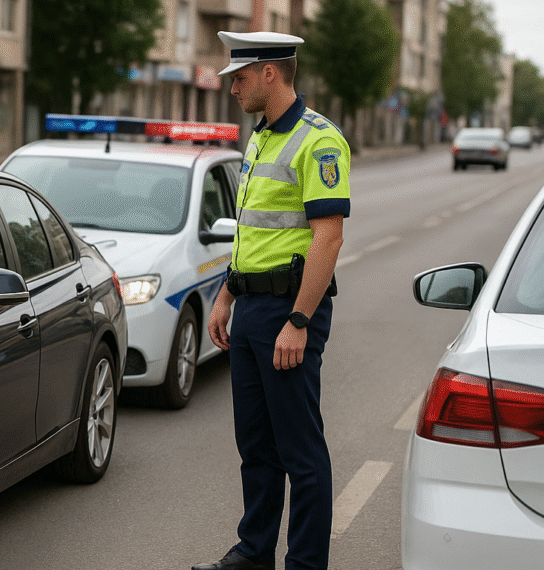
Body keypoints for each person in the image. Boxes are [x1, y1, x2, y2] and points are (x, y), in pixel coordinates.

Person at [194, 31, 350, 570]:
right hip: (253, 308)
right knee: (256, 447)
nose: (232, 87)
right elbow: (252, 232)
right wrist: (225, 296)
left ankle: (305, 564)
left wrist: (300, 320)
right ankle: (254, 552)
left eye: (238, 77)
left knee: (301, 453)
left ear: (269, 73)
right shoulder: (259, 139)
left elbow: (327, 236)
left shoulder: (319, 140)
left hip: (290, 310)